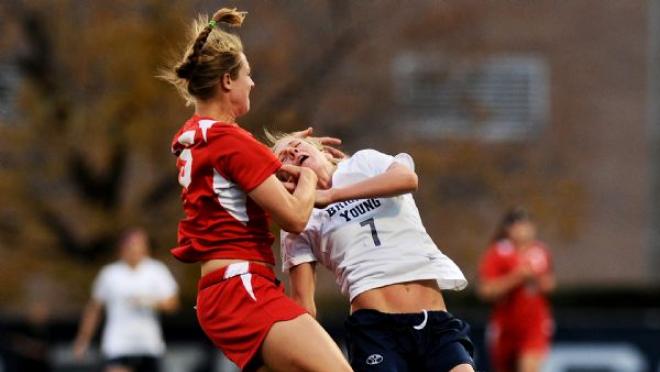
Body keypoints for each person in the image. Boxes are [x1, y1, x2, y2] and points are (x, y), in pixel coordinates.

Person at [160, 8, 352, 372]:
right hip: (241, 287)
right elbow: (296, 217)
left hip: (227, 290)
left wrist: (280, 160)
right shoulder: (230, 141)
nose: (253, 83)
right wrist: (309, 172)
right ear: (227, 81)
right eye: (249, 75)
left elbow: (237, 180)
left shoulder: (196, 136)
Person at [270, 133, 476, 372]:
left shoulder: (362, 163)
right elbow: (305, 305)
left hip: (434, 321)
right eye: (285, 157)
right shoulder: (299, 218)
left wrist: (331, 195)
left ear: (324, 152)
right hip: (376, 330)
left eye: (297, 146)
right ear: (284, 178)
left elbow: (408, 179)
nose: (294, 153)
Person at [73, 228, 179, 372]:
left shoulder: (156, 270)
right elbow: (94, 309)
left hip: (149, 346)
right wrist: (83, 339)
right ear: (123, 248)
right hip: (118, 345)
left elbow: (172, 304)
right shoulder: (109, 274)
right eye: (132, 246)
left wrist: (149, 302)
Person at [477, 207, 556, 372]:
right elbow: (486, 290)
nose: (523, 230)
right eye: (518, 225)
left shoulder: (540, 251)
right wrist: (516, 277)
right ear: (508, 229)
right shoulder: (498, 253)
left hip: (534, 324)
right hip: (506, 326)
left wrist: (535, 278)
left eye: (526, 224)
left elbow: (550, 284)